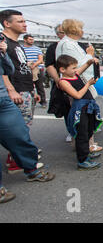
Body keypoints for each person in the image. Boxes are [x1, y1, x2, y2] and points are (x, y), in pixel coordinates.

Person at [0, 27, 55, 204]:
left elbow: (8, 70)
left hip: (3, 100)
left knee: (19, 134)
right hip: (8, 95)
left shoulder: (8, 46)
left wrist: (2, 53)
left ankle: (32, 170)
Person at [0, 9, 44, 174]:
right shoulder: (3, 41)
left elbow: (21, 68)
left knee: (24, 125)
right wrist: (10, 90)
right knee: (18, 128)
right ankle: (16, 161)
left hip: (25, 88)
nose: (24, 24)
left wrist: (33, 90)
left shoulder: (16, 43)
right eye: (20, 21)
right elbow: (2, 70)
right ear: (7, 23)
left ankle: (20, 157)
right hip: (15, 91)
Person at [55, 19, 102, 152]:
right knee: (84, 115)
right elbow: (74, 67)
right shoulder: (68, 44)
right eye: (81, 28)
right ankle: (87, 145)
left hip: (77, 82)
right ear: (74, 29)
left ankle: (84, 143)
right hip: (77, 84)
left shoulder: (67, 43)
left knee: (83, 115)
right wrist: (89, 55)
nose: (83, 31)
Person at [57, 55, 103, 170]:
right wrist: (88, 84)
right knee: (81, 134)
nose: (75, 70)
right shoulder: (63, 81)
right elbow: (77, 95)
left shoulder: (74, 74)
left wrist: (91, 61)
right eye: (73, 68)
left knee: (89, 131)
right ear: (62, 69)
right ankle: (82, 160)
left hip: (89, 107)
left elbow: (85, 65)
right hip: (79, 109)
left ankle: (87, 153)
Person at [46, 24, 73, 143]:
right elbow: (49, 65)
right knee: (68, 108)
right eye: (62, 32)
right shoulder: (53, 47)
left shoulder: (78, 45)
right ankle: (71, 131)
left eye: (67, 32)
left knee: (84, 108)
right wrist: (58, 80)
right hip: (64, 83)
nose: (66, 35)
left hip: (80, 82)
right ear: (58, 34)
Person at [22, 34, 46, 108]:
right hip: (26, 69)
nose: (32, 41)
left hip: (38, 69)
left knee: (40, 86)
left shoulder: (37, 49)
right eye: (30, 39)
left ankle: (43, 102)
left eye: (32, 39)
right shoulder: (21, 48)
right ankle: (31, 101)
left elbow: (40, 59)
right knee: (28, 86)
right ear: (25, 40)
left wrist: (34, 65)